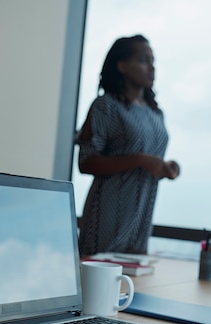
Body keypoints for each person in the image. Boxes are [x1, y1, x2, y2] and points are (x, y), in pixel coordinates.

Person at [76, 35, 179, 256]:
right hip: (106, 219)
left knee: (132, 287)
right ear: (122, 66)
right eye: (143, 60)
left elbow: (151, 160)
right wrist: (139, 159)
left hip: (141, 222)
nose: (152, 68)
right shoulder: (106, 106)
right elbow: (86, 162)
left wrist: (166, 167)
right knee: (96, 285)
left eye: (153, 61)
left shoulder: (156, 113)